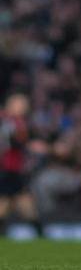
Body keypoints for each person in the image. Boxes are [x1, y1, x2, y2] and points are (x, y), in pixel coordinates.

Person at [0, 95, 40, 236]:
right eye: (19, 104)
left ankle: (40, 234)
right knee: (22, 203)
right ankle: (40, 234)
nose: (23, 106)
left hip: (13, 169)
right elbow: (12, 142)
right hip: (7, 169)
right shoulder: (8, 121)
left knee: (17, 203)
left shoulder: (17, 122)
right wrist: (29, 145)